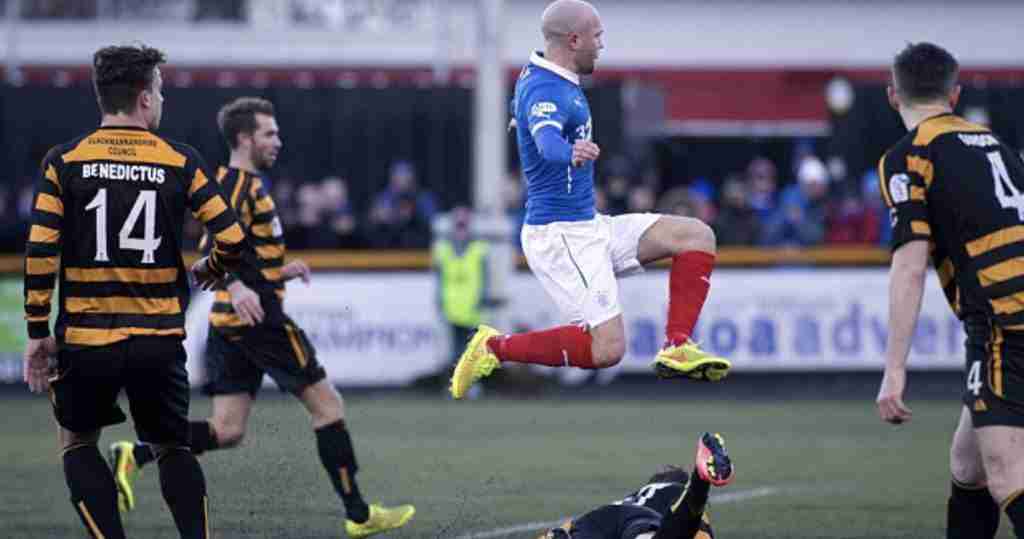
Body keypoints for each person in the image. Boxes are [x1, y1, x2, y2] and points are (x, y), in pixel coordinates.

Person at [108, 97, 415, 538]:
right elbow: (211, 244)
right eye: (269, 134)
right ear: (244, 138)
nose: (278, 141)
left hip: (231, 326)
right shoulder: (234, 185)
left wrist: (274, 270)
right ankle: (360, 515)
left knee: (228, 429)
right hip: (259, 321)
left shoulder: (243, 183)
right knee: (328, 406)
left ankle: (135, 454)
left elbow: (238, 249)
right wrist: (235, 286)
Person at [21, 44, 257, 539]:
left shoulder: (64, 161)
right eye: (162, 90)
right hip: (157, 339)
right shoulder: (180, 160)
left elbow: (41, 253)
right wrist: (212, 269)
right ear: (145, 98)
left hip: (86, 340)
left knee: (78, 443)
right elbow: (234, 239)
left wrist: (38, 331)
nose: (163, 100)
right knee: (172, 445)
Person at [449, 0, 730, 400]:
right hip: (560, 236)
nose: (601, 44)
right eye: (596, 36)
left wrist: (528, 122)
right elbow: (548, 142)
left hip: (588, 224)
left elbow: (530, 115)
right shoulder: (547, 89)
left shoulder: (545, 75)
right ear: (574, 39)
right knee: (608, 349)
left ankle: (677, 345)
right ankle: (493, 348)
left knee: (695, 235)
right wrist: (571, 152)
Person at [874, 42, 1024, 539]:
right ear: (954, 94)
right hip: (1010, 318)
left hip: (1007, 323)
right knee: (970, 465)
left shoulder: (909, 156)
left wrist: (894, 370)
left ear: (894, 95)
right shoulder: (998, 147)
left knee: (1006, 476)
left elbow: (910, 267)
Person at [537, 433, 733, 539]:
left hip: (601, 521)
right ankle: (699, 480)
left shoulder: (636, 496)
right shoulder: (675, 490)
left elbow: (571, 527)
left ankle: (700, 481)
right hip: (635, 523)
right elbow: (699, 531)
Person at [432, 207, 490, 383]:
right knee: (454, 350)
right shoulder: (443, 250)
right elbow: (440, 279)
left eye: (464, 225)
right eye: (458, 225)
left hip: (472, 308)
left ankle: (471, 384)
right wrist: (439, 300)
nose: (461, 230)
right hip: (452, 308)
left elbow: (485, 278)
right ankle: (456, 383)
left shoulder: (479, 249)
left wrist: (482, 298)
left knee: (472, 350)